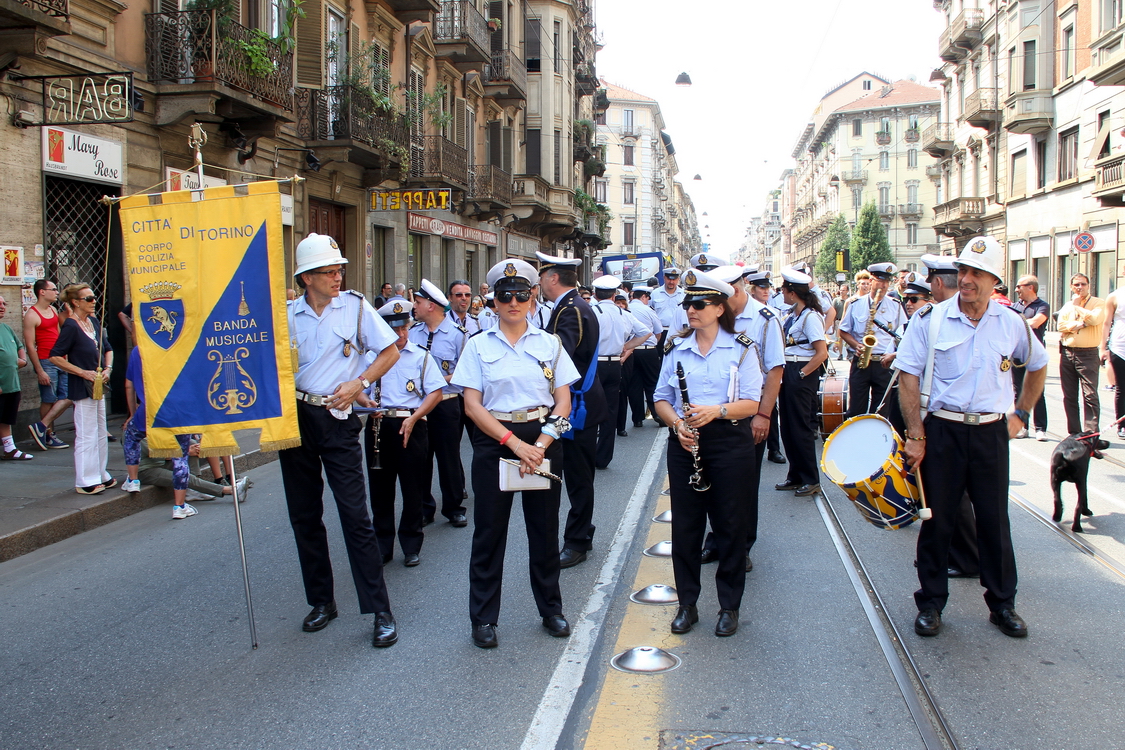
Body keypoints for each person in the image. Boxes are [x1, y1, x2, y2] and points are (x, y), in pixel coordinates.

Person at [895, 235, 1047, 639]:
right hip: (942, 430)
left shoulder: (1011, 322)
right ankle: (930, 603)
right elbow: (907, 376)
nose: (967, 280)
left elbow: (1038, 364)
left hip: (990, 433)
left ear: (994, 281)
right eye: (963, 271)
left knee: (995, 522)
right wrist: (916, 434)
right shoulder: (931, 319)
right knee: (937, 521)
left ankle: (1002, 605)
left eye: (977, 273)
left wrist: (1022, 413)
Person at [451, 258, 580, 649]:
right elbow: (472, 406)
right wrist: (514, 444)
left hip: (541, 439)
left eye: (521, 295)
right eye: (504, 296)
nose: (513, 302)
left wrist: (539, 445)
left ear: (532, 297)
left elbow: (564, 403)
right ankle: (484, 618)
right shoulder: (477, 346)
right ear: (492, 301)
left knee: (543, 531)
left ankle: (551, 609)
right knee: (490, 532)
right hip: (496, 440)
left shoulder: (550, 344)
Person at [281, 233, 401, 647]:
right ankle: (321, 601)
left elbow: (390, 351)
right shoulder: (287, 315)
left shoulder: (353, 307)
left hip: (337, 415)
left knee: (355, 515)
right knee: (304, 515)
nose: (337, 277)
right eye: (329, 272)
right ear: (306, 277)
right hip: (296, 418)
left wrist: (360, 381)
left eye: (338, 270)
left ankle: (380, 609)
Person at [653, 269, 763, 637]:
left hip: (729, 442)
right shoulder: (676, 346)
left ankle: (729, 606)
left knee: (730, 526)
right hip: (686, 443)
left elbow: (752, 402)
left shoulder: (742, 347)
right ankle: (687, 604)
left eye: (699, 304)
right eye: (687, 304)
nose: (690, 310)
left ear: (719, 308)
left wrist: (717, 411)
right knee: (685, 528)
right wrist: (676, 425)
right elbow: (661, 399)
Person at [700, 266, 784, 571]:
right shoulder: (716, 315)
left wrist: (764, 414)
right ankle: (717, 539)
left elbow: (775, 370)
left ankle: (742, 543)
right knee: (710, 479)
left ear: (735, 290)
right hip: (714, 411)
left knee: (744, 483)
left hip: (750, 411)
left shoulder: (764, 319)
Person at [537, 251, 605, 569]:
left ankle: (577, 541)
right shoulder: (571, 306)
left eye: (541, 276)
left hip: (576, 406)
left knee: (576, 478)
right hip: (578, 404)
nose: (539, 282)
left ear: (552, 278)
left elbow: (557, 356)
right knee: (576, 475)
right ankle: (581, 535)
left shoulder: (570, 310)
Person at [365, 298, 445, 567]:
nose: (401, 335)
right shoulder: (371, 357)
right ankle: (382, 544)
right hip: (379, 426)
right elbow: (358, 392)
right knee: (380, 490)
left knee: (413, 488)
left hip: (411, 424)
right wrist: (367, 404)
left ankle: (411, 543)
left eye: (405, 329)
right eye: (394, 330)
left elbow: (435, 392)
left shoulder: (420, 356)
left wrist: (416, 417)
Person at [920, 252, 979, 580]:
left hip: (955, 420)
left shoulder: (958, 316)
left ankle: (967, 557)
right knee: (946, 497)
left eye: (931, 282)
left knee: (954, 498)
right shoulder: (934, 316)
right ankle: (957, 556)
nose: (931, 287)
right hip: (943, 419)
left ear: (939, 282)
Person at [409, 279, 469, 527]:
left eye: (419, 302)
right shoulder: (413, 333)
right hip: (420, 406)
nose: (415, 306)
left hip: (446, 403)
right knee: (421, 458)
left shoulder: (457, 335)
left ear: (431, 306)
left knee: (448, 457)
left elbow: (465, 372)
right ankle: (425, 508)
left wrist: (434, 380)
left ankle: (454, 507)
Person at [49, 284, 115, 493]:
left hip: (98, 383)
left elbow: (108, 349)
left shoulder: (94, 322)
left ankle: (100, 473)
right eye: (88, 298)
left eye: (94, 297)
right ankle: (85, 479)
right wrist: (81, 372)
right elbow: (55, 355)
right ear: (76, 302)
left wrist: (108, 369)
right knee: (86, 432)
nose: (94, 301)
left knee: (99, 429)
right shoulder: (71, 325)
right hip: (82, 384)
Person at [774, 269, 829, 497]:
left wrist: (802, 374)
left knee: (801, 428)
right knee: (787, 427)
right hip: (790, 370)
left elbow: (821, 352)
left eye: (785, 290)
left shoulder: (811, 317)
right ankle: (795, 475)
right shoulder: (794, 315)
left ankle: (810, 478)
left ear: (793, 293)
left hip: (801, 371)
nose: (782, 294)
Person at [591, 274, 649, 469]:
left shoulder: (593, 311)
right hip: (615, 364)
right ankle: (603, 457)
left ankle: (588, 453)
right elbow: (646, 333)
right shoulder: (624, 313)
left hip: (595, 363)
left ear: (595, 294)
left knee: (591, 409)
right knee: (610, 411)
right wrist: (626, 345)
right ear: (615, 295)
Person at [838, 263, 906, 418]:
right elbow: (843, 330)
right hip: (862, 361)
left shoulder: (895, 306)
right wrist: (857, 345)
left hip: (883, 362)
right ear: (871, 281)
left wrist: (894, 354)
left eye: (886, 282)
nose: (883, 285)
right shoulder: (856, 304)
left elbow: (903, 333)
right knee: (856, 409)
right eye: (879, 281)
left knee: (881, 411)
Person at [24, 279, 71, 451]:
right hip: (46, 361)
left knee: (67, 396)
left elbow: (59, 335)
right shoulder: (32, 315)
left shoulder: (52, 310)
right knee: (49, 399)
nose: (56, 292)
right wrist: (39, 370)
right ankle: (49, 434)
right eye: (53, 289)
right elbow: (30, 345)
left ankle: (42, 427)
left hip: (60, 359)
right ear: (42, 292)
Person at [1057, 273, 1106, 434]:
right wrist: (1078, 325)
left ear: (1088, 285)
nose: (1080, 287)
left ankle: (1091, 433)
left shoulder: (1098, 303)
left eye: (1083, 284)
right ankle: (1074, 433)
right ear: (1071, 287)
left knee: (1090, 395)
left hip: (1088, 354)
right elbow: (1060, 326)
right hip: (1067, 353)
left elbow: (1094, 320)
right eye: (1076, 285)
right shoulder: (1067, 305)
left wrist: (1078, 306)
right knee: (1069, 396)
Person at [746, 271, 786, 464]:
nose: (766, 291)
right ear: (752, 290)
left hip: (765, 379)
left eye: (767, 287)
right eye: (762, 288)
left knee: (771, 410)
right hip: (749, 386)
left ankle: (774, 448)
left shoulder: (772, 314)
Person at [1012, 275, 1050, 440]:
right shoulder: (1015, 306)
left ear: (1030, 287)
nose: (1016, 290)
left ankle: (1040, 428)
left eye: (1019, 286)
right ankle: (1022, 426)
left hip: (1035, 355)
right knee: (1018, 391)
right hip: (1016, 355)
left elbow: (1036, 322)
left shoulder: (1042, 306)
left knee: (1037, 392)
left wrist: (1015, 323)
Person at [627, 287, 664, 428]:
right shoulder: (648, 310)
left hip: (631, 350)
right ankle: (657, 414)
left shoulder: (626, 309)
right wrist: (654, 344)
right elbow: (658, 332)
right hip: (648, 351)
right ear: (644, 297)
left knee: (634, 385)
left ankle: (637, 418)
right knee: (652, 383)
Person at [0, 295, 31, 461]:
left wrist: (22, 360)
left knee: (7, 417)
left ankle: (9, 449)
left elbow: (19, 346)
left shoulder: (6, 328)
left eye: (4, 303)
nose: (2, 306)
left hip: (11, 383)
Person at [1102, 282, 1125, 439]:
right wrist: (1102, 348)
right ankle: (1122, 426)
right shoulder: (1115, 296)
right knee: (1122, 388)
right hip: (1119, 348)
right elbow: (1106, 323)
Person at [650, 267, 685, 342]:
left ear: (678, 279)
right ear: (664, 278)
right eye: (669, 279)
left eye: (674, 279)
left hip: (678, 332)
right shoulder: (655, 293)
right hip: (660, 331)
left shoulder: (683, 294)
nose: (671, 282)